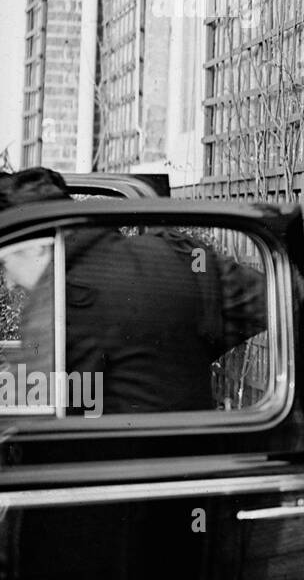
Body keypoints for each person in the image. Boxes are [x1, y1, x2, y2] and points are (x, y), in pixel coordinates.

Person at [0, 167, 267, 415]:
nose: (9, 282)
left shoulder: (51, 307)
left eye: (4, 263)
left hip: (104, 461)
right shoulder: (177, 254)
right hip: (198, 457)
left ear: (36, 246)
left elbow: (30, 425)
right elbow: (270, 298)